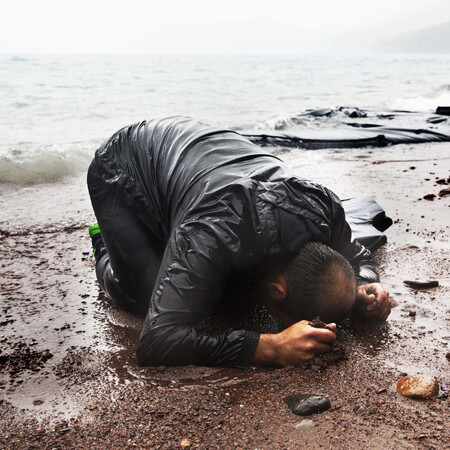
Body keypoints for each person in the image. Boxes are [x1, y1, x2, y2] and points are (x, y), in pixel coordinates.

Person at [87, 116, 391, 369]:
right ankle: (105, 245)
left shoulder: (325, 209)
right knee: (143, 297)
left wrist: (365, 285)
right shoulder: (212, 231)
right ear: (277, 290)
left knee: (214, 287)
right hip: (123, 164)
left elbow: (358, 255)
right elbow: (156, 342)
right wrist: (271, 347)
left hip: (209, 161)